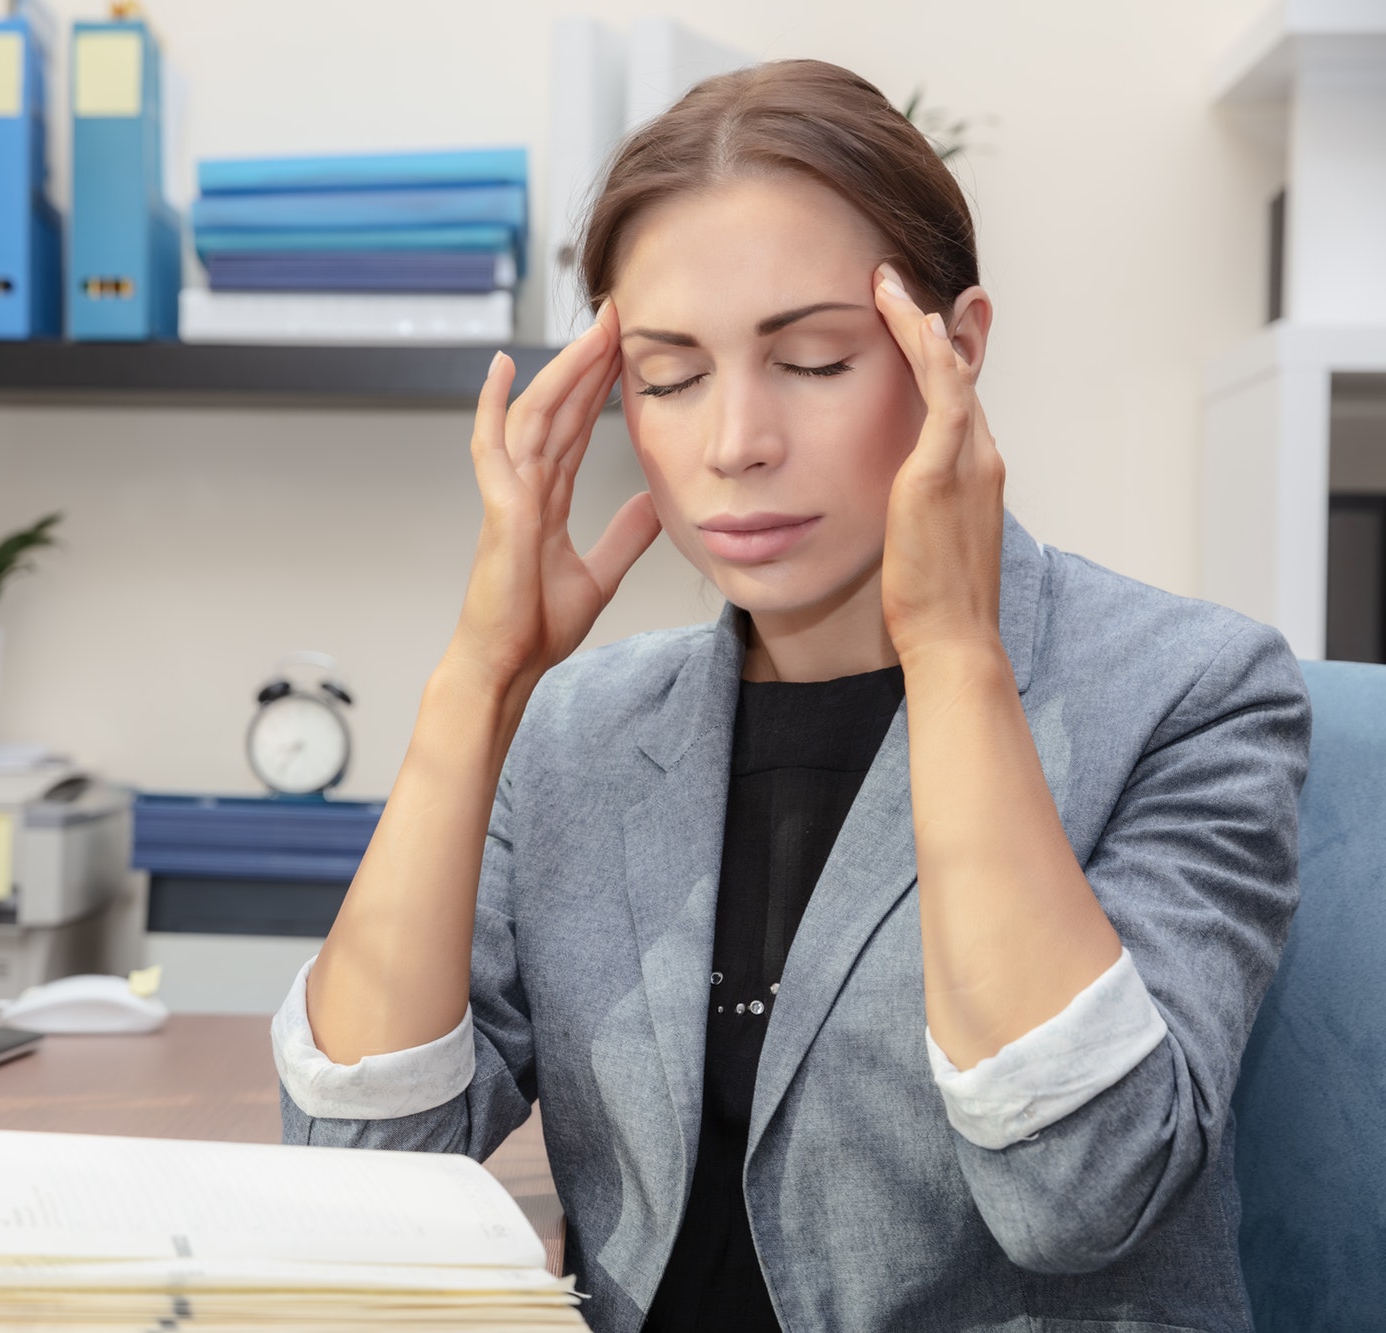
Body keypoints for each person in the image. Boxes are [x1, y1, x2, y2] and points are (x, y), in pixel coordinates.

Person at [271, 59, 1309, 1333]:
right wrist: (478, 685)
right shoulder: (581, 730)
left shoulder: (1190, 691)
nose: (734, 441)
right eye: (666, 377)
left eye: (813, 360)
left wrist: (949, 653)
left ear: (955, 352)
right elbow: (353, 1168)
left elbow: (1077, 1190)